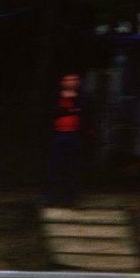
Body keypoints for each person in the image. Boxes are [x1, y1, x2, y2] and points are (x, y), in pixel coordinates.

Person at [46, 71, 84, 207]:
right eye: (68, 80)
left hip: (74, 135)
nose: (71, 82)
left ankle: (70, 198)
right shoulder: (56, 97)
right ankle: (52, 197)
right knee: (55, 166)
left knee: (72, 167)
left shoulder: (83, 98)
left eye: (73, 79)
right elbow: (54, 112)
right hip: (58, 134)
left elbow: (85, 113)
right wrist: (71, 111)